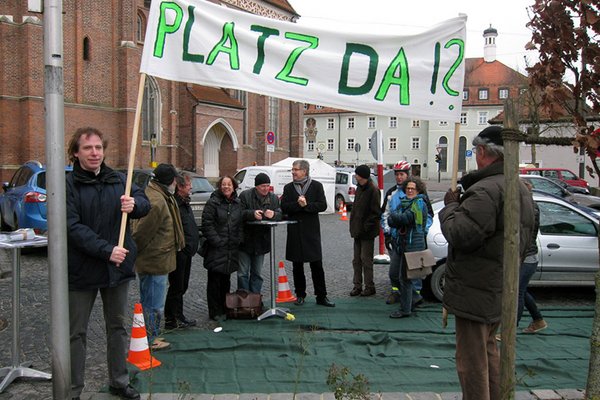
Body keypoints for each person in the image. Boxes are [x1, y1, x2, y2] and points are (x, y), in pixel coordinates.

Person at [439, 125, 535, 400]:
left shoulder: (486, 190)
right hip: (496, 286)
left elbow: (461, 234)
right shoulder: (518, 186)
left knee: (472, 363)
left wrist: (449, 207)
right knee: (489, 353)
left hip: (476, 290)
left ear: (482, 151)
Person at [66, 127, 150, 400]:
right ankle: (73, 389)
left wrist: (134, 204)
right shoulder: (69, 185)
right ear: (76, 152)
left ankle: (118, 380)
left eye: (99, 147)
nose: (95, 153)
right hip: (83, 270)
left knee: (117, 328)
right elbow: (72, 227)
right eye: (88, 148)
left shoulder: (118, 180)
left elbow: (145, 203)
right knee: (76, 333)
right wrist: (106, 251)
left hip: (117, 269)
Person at [132, 163, 185, 350]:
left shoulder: (161, 195)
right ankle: (150, 338)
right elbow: (142, 233)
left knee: (151, 300)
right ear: (170, 181)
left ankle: (148, 336)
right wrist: (134, 253)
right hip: (154, 260)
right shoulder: (157, 201)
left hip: (158, 258)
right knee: (153, 304)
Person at [281, 159, 335, 307]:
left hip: (311, 232)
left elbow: (322, 205)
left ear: (304, 171)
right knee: (297, 266)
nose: (293, 172)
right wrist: (298, 205)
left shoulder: (316, 186)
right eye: (292, 169)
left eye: (295, 169)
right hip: (295, 232)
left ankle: (321, 296)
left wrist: (307, 206)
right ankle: (300, 295)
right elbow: (284, 207)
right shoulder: (288, 188)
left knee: (316, 265)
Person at [381, 161, 432, 307]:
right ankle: (398, 293)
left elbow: (427, 216)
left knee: (413, 274)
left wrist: (422, 231)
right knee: (394, 272)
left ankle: (413, 299)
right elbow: (385, 215)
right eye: (396, 174)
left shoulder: (419, 194)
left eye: (401, 174)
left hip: (413, 241)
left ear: (408, 175)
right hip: (397, 239)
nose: (398, 177)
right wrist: (388, 233)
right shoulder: (392, 193)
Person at [201, 176, 243, 321]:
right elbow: (207, 224)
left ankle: (225, 307)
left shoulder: (238, 203)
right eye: (223, 184)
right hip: (216, 248)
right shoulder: (213, 203)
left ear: (234, 186)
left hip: (231, 248)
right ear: (220, 186)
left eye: (229, 184)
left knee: (226, 279)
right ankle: (214, 311)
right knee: (214, 281)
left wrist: (238, 238)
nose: (226, 187)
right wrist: (217, 241)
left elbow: (240, 224)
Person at [387, 177, 429, 318]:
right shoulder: (405, 203)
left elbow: (405, 218)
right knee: (398, 276)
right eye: (408, 188)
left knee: (405, 278)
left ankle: (406, 309)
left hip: (412, 246)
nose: (410, 190)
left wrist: (395, 216)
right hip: (402, 244)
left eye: (412, 188)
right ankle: (414, 299)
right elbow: (391, 221)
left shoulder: (419, 203)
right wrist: (396, 217)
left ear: (418, 190)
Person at [165, 172, 200, 330]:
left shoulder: (184, 202)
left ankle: (176, 316)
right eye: (188, 185)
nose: (191, 187)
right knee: (177, 286)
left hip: (187, 251)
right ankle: (173, 318)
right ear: (179, 187)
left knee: (182, 286)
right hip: (180, 251)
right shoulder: (175, 204)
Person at [238, 173, 282, 293]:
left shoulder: (273, 198)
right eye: (263, 186)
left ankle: (255, 299)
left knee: (257, 273)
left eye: (268, 185)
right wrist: (252, 214)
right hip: (245, 240)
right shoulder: (245, 196)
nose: (266, 188)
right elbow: (238, 214)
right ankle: (244, 300)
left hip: (262, 241)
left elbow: (280, 214)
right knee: (242, 272)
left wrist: (274, 215)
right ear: (256, 186)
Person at [518, 182, 547, 334]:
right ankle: (538, 320)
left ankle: (508, 330)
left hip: (526, 256)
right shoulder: (530, 206)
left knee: (516, 292)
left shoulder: (528, 208)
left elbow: (522, 232)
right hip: (527, 255)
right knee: (521, 290)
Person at [348, 165, 381, 297]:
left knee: (366, 260)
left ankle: (369, 286)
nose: (355, 176)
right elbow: (356, 209)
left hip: (367, 232)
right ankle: (357, 286)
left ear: (362, 176)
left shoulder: (373, 190)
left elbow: (375, 212)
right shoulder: (360, 189)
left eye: (357, 174)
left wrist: (366, 226)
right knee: (356, 260)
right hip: (358, 230)